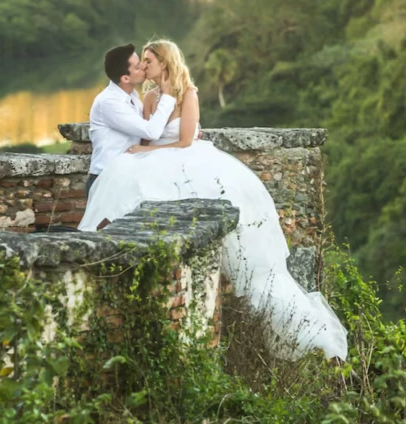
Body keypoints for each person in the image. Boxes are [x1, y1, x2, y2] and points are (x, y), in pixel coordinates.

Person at [80, 39, 348, 361]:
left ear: (164, 63)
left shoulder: (187, 93)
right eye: (141, 63)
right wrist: (148, 143)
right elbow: (146, 133)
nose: (144, 67)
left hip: (183, 157)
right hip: (155, 162)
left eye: (148, 61)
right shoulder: (147, 98)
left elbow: (181, 141)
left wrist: (155, 147)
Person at [85, 43, 176, 199]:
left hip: (125, 177)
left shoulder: (132, 97)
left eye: (141, 62)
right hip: (106, 180)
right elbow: (151, 132)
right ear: (125, 78)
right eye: (138, 67)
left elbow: (150, 128)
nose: (143, 67)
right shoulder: (109, 102)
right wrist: (167, 96)